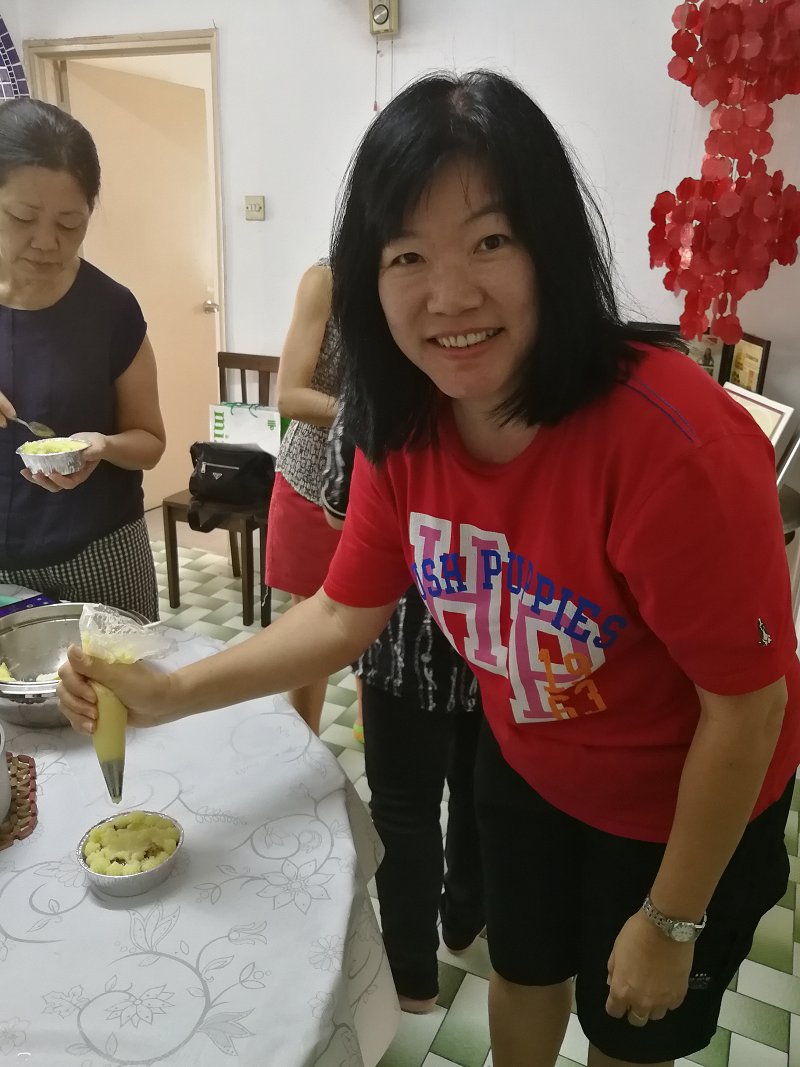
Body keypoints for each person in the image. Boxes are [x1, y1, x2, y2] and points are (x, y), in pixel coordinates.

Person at [58, 70, 800, 1067]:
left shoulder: (673, 444)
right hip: (531, 768)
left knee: (627, 1027)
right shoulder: (404, 428)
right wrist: (167, 692)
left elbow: (744, 707)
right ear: (368, 276)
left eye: (491, 241)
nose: (448, 295)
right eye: (407, 255)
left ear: (552, 247)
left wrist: (670, 918)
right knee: (522, 975)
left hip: (679, 807)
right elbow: (337, 614)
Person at [321, 407, 484, 1014]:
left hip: (398, 635)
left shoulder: (376, 390)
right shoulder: (520, 382)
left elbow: (338, 501)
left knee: (403, 808)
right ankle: (467, 919)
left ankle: (412, 980)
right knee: (478, 792)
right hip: (498, 635)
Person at [0, 99, 165, 620]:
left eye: (70, 224)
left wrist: (104, 446)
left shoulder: (111, 309)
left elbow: (150, 442)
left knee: (120, 696)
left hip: (99, 553)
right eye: (22, 217)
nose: (47, 242)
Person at [265, 259, 343, 732]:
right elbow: (290, 396)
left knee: (385, 629)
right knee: (313, 630)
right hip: (313, 479)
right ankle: (304, 743)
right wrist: (372, 414)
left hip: (390, 485)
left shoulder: (416, 275)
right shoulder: (326, 279)